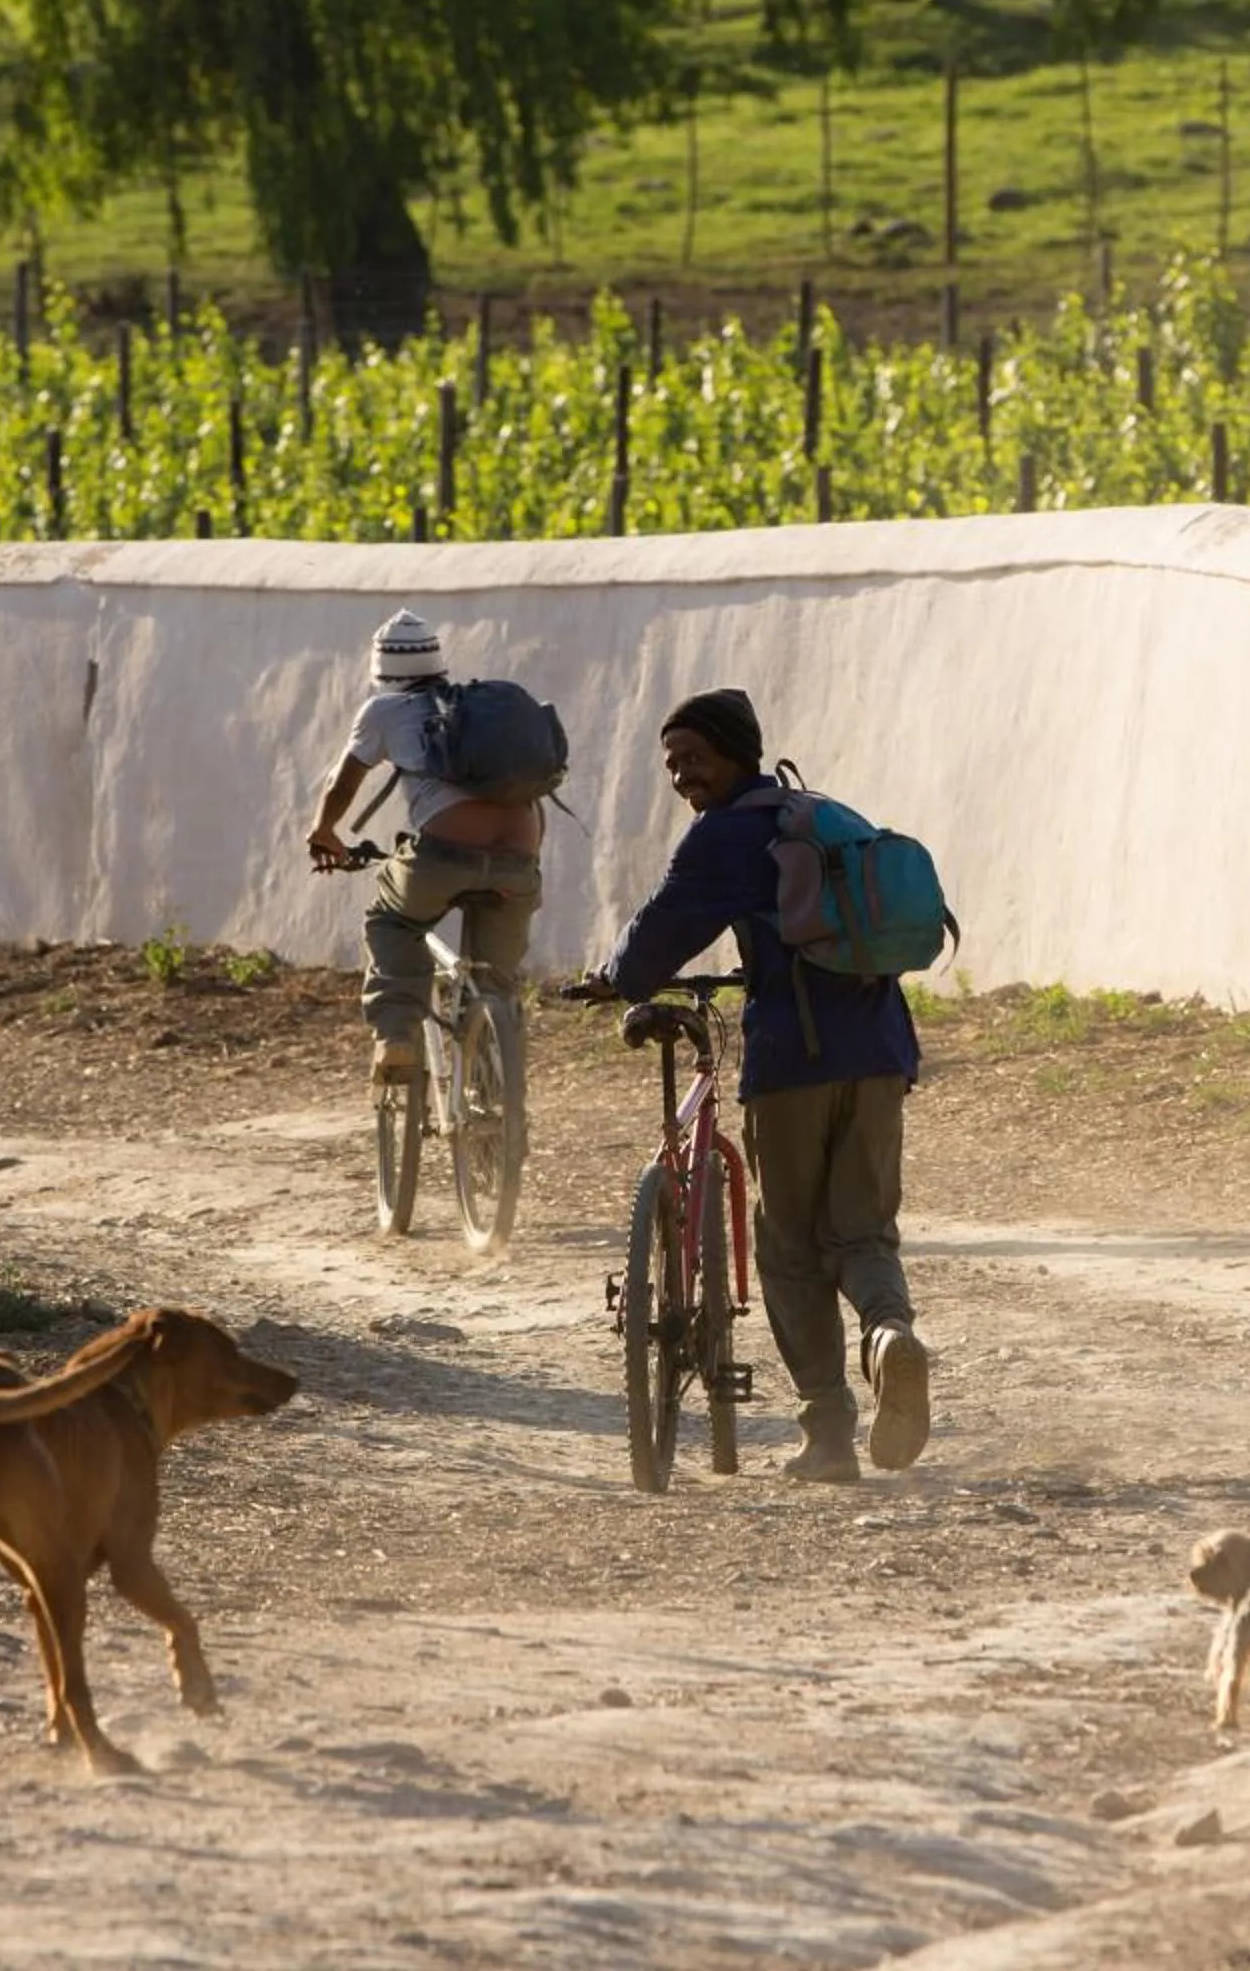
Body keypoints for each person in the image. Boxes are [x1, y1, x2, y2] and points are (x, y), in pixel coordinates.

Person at [589, 689, 932, 1484]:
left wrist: (614, 978)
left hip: (794, 1066)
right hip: (880, 1051)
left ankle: (829, 1434)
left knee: (788, 1249)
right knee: (864, 1233)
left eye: (694, 759)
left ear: (737, 754)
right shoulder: (816, 813)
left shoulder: (726, 835)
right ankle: (888, 1337)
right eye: (672, 763)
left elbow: (660, 932)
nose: (681, 776)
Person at [306, 611, 546, 1081]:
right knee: (495, 981)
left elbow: (343, 781)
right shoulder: (481, 710)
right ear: (438, 662)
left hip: (442, 855)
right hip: (519, 859)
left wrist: (324, 832)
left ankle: (396, 1038)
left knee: (391, 920)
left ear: (381, 672)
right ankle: (499, 1081)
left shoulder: (384, 712)